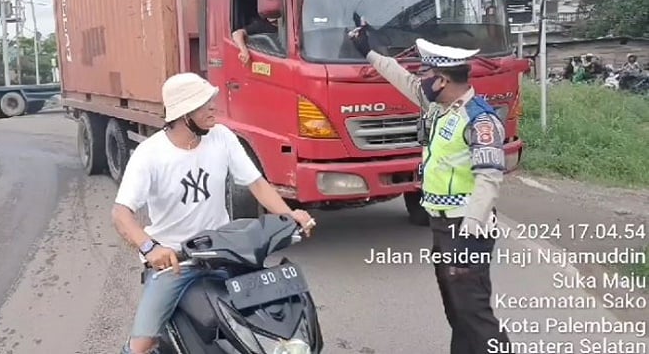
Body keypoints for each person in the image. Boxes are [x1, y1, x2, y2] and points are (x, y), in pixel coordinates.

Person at [111, 72, 316, 354]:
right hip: (176, 263)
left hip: (225, 252)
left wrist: (290, 216)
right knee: (142, 345)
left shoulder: (222, 137)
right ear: (184, 114)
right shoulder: (150, 154)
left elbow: (256, 183)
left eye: (211, 101)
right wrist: (150, 248)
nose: (213, 108)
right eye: (204, 103)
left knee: (280, 316)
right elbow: (121, 213)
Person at [348, 25, 511, 354]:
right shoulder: (440, 107)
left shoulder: (479, 120)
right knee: (457, 310)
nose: (420, 79)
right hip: (442, 224)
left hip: (465, 227)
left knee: (474, 313)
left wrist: (471, 228)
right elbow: (402, 79)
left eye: (426, 74)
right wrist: (369, 52)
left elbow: (490, 178)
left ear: (443, 80)